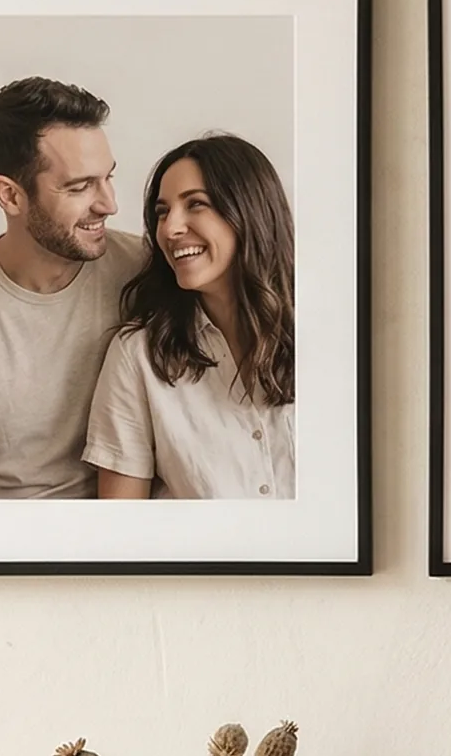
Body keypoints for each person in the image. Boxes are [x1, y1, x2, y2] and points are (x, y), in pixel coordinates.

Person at [0, 76, 147, 498]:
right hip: (7, 532)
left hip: (124, 525)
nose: (109, 204)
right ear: (10, 196)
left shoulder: (144, 272)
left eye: (108, 178)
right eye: (80, 187)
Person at [84, 133, 296, 500]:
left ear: (249, 210)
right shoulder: (138, 356)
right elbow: (121, 525)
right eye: (162, 212)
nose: (170, 229)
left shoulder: (337, 331)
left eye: (196, 204)